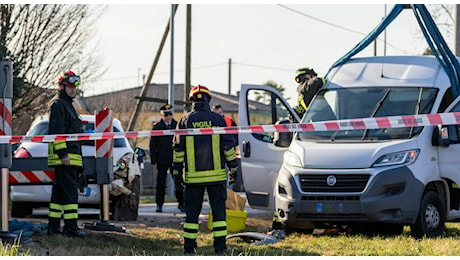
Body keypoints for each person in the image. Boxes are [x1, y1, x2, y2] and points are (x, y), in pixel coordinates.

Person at [172, 85, 239, 255]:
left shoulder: (185, 121)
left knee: (192, 215)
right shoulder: (218, 120)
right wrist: (233, 168)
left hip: (193, 178)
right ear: (208, 100)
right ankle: (220, 248)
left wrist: (176, 171)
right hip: (216, 177)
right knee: (218, 214)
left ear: (192, 100)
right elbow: (228, 147)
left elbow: (178, 149)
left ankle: (189, 249)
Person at [47, 70, 85, 238]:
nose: (73, 90)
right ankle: (70, 228)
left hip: (71, 157)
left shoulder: (68, 105)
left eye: (74, 87)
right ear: (62, 86)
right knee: (70, 194)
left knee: (59, 194)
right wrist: (63, 154)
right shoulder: (58, 105)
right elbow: (57, 132)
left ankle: (53, 228)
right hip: (65, 158)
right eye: (69, 87)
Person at [149, 104, 184, 213]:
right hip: (162, 159)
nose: (168, 117)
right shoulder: (157, 127)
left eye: (170, 114)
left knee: (178, 181)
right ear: (162, 115)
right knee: (161, 183)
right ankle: (159, 205)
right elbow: (152, 145)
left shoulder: (176, 125)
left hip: (175, 159)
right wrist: (153, 160)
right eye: (166, 115)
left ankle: (181, 203)